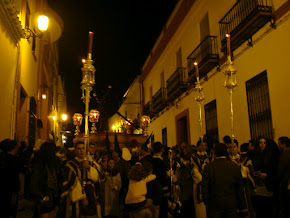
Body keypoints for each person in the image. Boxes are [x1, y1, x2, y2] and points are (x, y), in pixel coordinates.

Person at [202, 143, 247, 218]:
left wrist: (207, 202)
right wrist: (242, 205)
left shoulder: (209, 168)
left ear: (214, 153)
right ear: (227, 152)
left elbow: (205, 187)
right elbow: (240, 188)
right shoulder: (234, 167)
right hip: (231, 203)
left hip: (214, 204)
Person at [59, 141, 99, 218]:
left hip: (89, 195)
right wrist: (83, 197)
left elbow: (96, 178)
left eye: (83, 148)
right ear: (75, 151)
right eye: (79, 149)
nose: (81, 151)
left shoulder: (89, 162)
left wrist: (88, 168)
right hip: (76, 198)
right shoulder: (70, 165)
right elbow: (71, 182)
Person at [30, 142, 60, 218]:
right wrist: (42, 197)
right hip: (45, 197)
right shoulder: (40, 166)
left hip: (52, 197)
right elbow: (34, 184)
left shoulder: (52, 165)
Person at [251, 137, 279, 218]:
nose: (262, 144)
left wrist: (267, 175)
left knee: (268, 207)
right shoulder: (256, 155)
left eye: (264, 142)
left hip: (268, 185)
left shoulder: (271, 156)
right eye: (260, 142)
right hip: (259, 186)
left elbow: (275, 171)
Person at [1, 139, 22, 218]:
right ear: (15, 147)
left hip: (4, 186)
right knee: (12, 208)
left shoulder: (3, 158)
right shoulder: (16, 160)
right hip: (12, 187)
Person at [277, 137, 290, 218]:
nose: (278, 146)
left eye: (279, 144)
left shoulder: (284, 155)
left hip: (286, 185)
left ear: (283, 144)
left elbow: (280, 172)